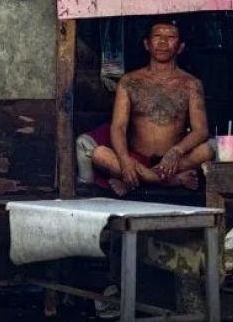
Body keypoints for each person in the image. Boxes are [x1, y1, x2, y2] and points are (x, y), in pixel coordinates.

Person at [91, 20, 213, 196]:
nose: (163, 42)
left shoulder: (191, 84)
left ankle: (137, 180)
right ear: (147, 44)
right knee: (99, 154)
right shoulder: (129, 81)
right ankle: (169, 181)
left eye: (171, 37)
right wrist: (125, 161)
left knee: (207, 150)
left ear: (180, 47)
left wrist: (175, 152)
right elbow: (119, 126)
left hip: (174, 162)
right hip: (137, 160)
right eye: (157, 36)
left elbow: (201, 130)